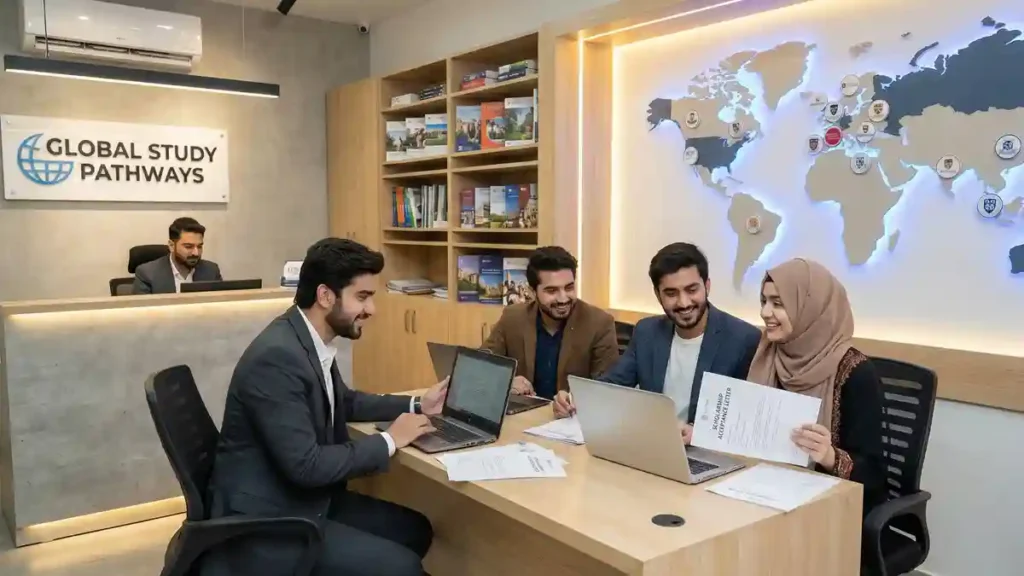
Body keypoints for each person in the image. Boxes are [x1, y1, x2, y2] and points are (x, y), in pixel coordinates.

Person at [202, 238, 446, 576]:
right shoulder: (278, 358)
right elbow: (307, 466)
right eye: (362, 297)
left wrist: (417, 403)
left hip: (301, 498)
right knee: (402, 567)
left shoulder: (305, 338)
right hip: (268, 518)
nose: (371, 310)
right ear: (325, 296)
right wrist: (389, 440)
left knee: (415, 529)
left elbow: (343, 400)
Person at [570, 243, 760, 443]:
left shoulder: (743, 338)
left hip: (707, 453)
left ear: (707, 286)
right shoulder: (647, 332)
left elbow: (748, 418)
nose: (683, 303)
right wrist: (576, 397)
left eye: (692, 290)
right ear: (657, 294)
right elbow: (612, 384)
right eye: (671, 293)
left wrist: (703, 434)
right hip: (652, 445)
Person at [746, 258, 886, 514]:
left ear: (810, 308)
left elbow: (875, 475)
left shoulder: (855, 372)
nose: (765, 312)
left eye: (778, 303)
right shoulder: (768, 355)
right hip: (766, 492)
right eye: (764, 302)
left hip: (830, 507)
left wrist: (829, 455)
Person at [482, 246, 619, 401]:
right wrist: (505, 382)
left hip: (572, 419)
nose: (563, 299)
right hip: (525, 415)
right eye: (552, 291)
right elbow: (481, 364)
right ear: (532, 292)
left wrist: (573, 399)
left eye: (569, 288)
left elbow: (608, 388)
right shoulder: (513, 317)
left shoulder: (599, 323)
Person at [132, 217, 222, 294]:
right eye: (188, 247)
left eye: (199, 246)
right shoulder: (147, 274)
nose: (196, 253)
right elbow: (142, 312)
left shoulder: (211, 271)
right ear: (171, 245)